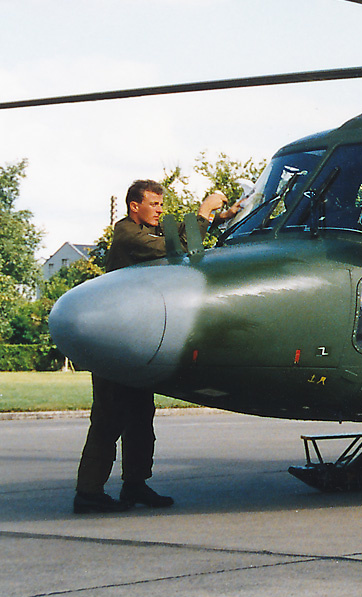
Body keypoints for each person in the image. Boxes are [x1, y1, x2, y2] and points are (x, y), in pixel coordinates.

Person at [72, 179, 241, 514]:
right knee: (108, 419)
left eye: (162, 205)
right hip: (115, 343)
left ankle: (135, 485)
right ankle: (88, 493)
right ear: (135, 205)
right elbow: (179, 248)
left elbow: (178, 230)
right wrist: (204, 213)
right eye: (154, 204)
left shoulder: (146, 229)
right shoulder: (127, 234)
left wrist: (222, 217)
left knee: (140, 417)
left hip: (136, 342)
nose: (159, 211)